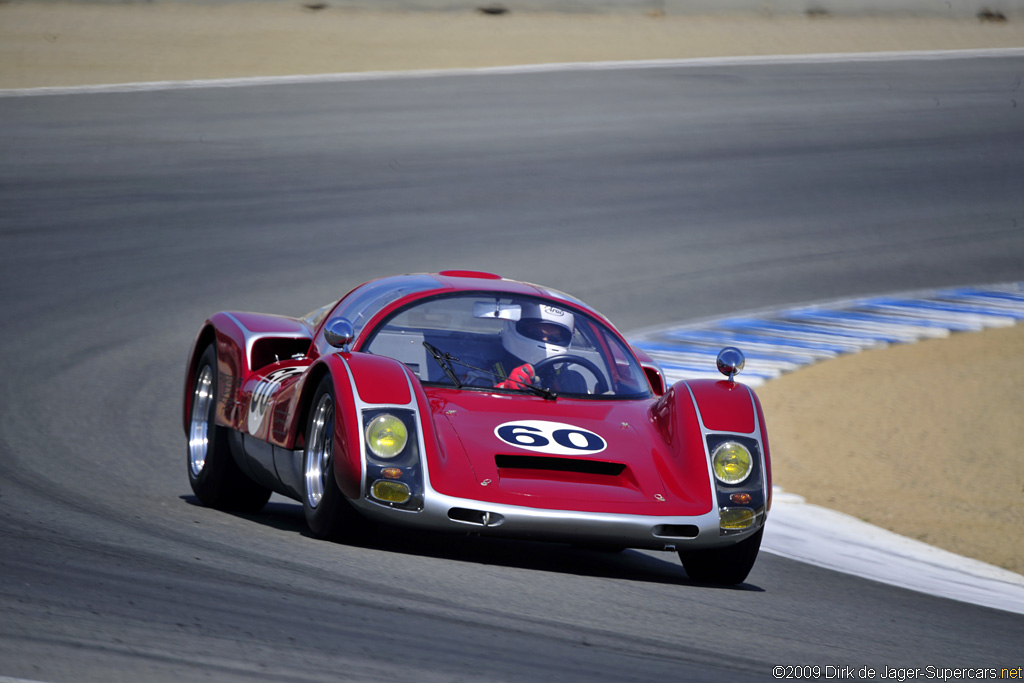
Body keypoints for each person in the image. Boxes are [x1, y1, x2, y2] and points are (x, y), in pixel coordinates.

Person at [494, 303, 576, 391]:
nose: (545, 340)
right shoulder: (485, 371)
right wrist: (505, 388)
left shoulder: (568, 378)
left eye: (555, 338)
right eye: (536, 333)